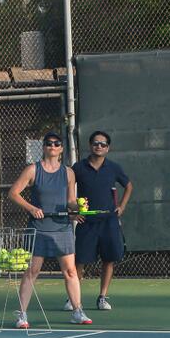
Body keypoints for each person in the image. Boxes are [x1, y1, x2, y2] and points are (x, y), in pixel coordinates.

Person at [8, 132, 92, 327]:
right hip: (39, 228)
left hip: (62, 228)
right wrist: (32, 208)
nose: (52, 146)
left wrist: (78, 209)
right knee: (32, 271)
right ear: (44, 147)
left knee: (70, 271)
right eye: (49, 143)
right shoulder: (32, 170)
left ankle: (77, 311)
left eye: (56, 144)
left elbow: (70, 201)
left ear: (61, 149)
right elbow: (13, 193)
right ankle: (22, 315)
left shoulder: (69, 172)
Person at [67, 130, 133, 311]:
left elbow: (128, 185)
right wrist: (73, 212)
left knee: (108, 259)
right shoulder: (78, 168)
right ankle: (73, 298)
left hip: (109, 222)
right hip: (86, 222)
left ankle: (102, 297)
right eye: (96, 143)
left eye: (103, 144)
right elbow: (69, 191)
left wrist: (122, 206)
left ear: (108, 148)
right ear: (90, 146)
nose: (99, 146)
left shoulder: (113, 168)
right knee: (79, 260)